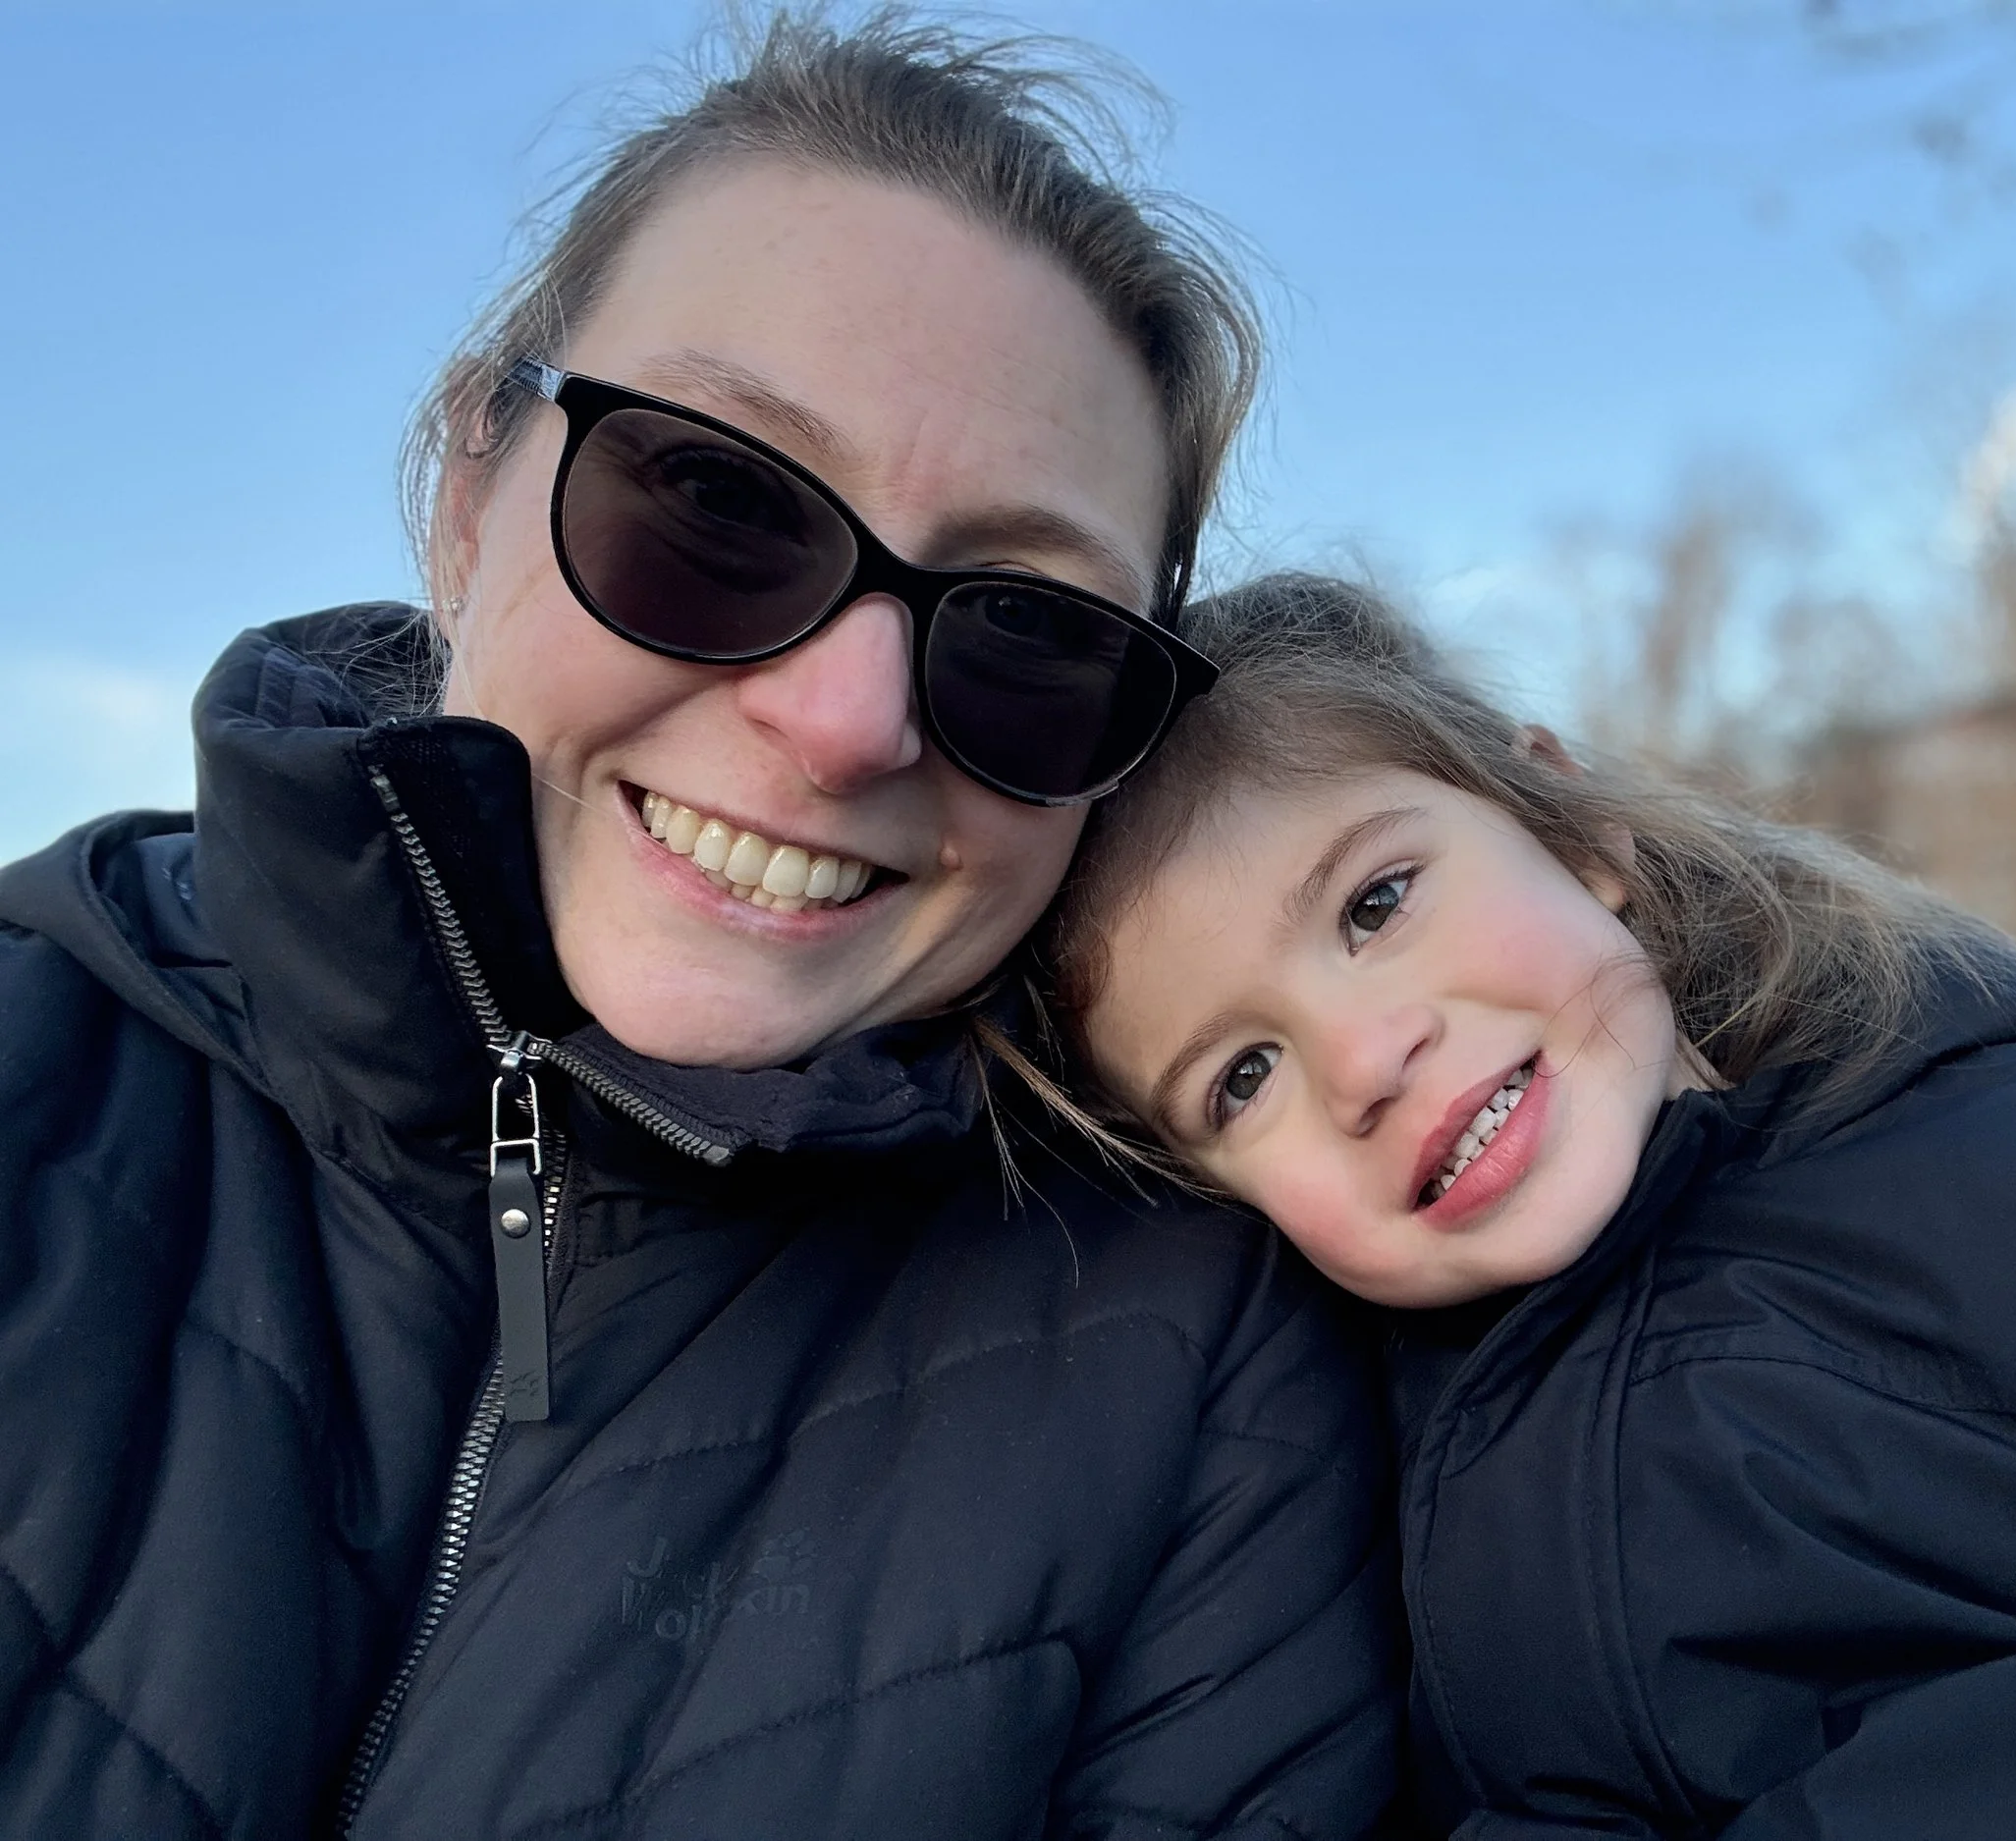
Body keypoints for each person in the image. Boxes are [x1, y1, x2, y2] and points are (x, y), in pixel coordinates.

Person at [0, 20, 1400, 1837]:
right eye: (718, 502)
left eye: (1029, 633)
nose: (845, 724)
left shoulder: (1200, 1368)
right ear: (465, 488)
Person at [1023, 570, 2016, 1840]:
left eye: (1377, 901)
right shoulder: (1340, 1556)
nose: (1363, 1058)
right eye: (1243, 1074)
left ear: (1573, 831)